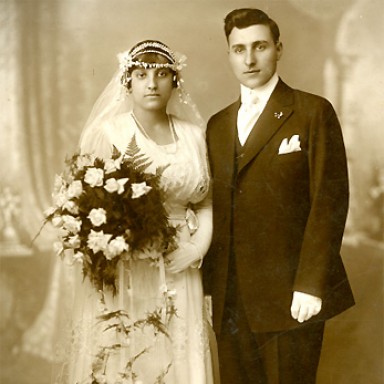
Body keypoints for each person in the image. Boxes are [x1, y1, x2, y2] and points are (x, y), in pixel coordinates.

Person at [203, 8, 355, 384]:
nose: (249, 59)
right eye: (238, 49)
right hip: (231, 300)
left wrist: (310, 284)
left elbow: (329, 201)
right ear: (229, 55)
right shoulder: (217, 125)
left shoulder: (312, 112)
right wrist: (210, 290)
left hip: (290, 293)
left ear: (278, 49)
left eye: (259, 46)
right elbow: (215, 211)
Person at [54, 40, 217, 384]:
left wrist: (197, 247)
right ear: (127, 82)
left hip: (182, 265)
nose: (152, 83)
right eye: (141, 75)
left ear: (176, 81)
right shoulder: (110, 133)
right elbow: (89, 205)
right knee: (129, 353)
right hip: (129, 267)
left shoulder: (194, 136)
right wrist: (126, 242)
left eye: (161, 74)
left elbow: (204, 200)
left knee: (178, 354)